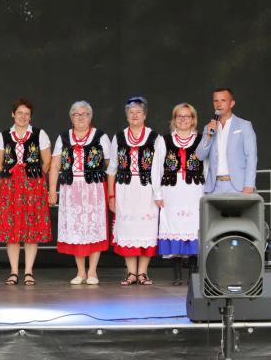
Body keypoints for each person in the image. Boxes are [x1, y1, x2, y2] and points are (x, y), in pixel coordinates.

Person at [48, 101, 111, 285]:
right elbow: (55, 165)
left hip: (94, 188)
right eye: (76, 114)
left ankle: (92, 271)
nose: (81, 117)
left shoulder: (100, 136)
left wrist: (110, 189)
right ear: (71, 117)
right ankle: (81, 271)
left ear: (90, 117)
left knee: (94, 227)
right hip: (71, 189)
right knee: (76, 228)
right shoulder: (63, 137)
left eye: (84, 114)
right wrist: (52, 190)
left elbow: (110, 164)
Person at [107, 96, 165, 286]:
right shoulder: (119, 137)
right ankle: (131, 272)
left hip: (147, 190)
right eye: (131, 112)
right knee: (128, 229)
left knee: (146, 229)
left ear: (145, 115)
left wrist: (158, 193)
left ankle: (143, 273)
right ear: (126, 115)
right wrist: (111, 195)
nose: (134, 115)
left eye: (138, 112)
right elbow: (112, 169)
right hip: (124, 190)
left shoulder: (155, 138)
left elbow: (159, 168)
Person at [0, 98, 51, 286]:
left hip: (33, 185)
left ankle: (28, 272)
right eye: (20, 113)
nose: (23, 116)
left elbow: (47, 161)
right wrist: (10, 176)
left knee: (31, 228)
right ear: (13, 114)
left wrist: (36, 178)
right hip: (10, 187)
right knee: (12, 229)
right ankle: (13, 271)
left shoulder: (39, 134)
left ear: (30, 117)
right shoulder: (3, 135)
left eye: (27, 114)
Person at [156, 103, 204, 285]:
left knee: (193, 226)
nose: (183, 119)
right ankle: (177, 274)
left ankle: (193, 273)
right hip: (171, 190)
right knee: (173, 227)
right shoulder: (164, 140)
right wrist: (157, 193)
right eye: (179, 116)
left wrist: (208, 191)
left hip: (194, 190)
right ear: (174, 119)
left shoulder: (201, 140)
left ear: (193, 120)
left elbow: (207, 167)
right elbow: (156, 168)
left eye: (187, 116)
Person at [196, 87, 257, 195]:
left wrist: (249, 185)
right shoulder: (208, 127)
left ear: (232, 103)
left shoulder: (244, 126)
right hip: (214, 187)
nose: (219, 104)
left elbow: (251, 157)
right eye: (216, 101)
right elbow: (200, 156)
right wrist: (209, 136)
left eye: (223, 100)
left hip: (239, 187)